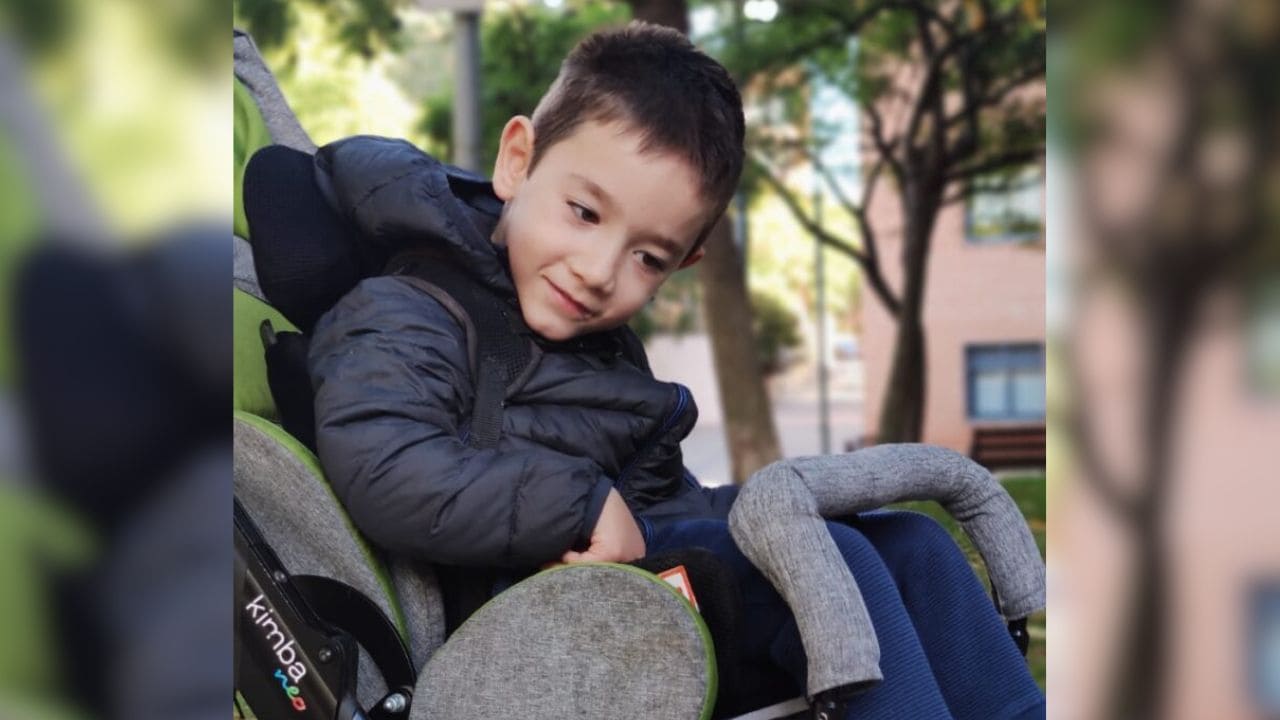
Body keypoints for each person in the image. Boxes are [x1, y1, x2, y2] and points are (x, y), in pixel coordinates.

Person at [295, 21, 1044, 719]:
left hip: (635, 588)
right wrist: (581, 505)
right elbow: (384, 463)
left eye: (647, 257)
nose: (597, 271)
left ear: (684, 262)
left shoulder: (602, 351)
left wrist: (782, 510)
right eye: (585, 213)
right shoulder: (407, 309)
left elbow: (668, 506)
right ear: (518, 161)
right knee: (829, 568)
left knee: (903, 542)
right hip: (523, 622)